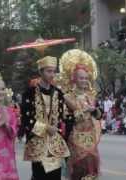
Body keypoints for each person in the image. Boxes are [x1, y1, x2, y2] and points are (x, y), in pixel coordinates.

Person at [19, 56, 70, 180]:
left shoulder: (58, 93)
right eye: (48, 71)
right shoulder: (30, 93)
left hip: (54, 142)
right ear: (41, 72)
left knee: (55, 175)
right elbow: (26, 119)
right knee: (39, 175)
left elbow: (63, 116)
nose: (52, 74)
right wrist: (46, 128)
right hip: (38, 142)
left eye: (54, 71)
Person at [60, 49, 101, 180]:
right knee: (79, 168)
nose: (84, 80)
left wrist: (94, 111)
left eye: (86, 78)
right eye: (81, 78)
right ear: (74, 78)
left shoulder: (90, 96)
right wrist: (86, 110)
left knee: (92, 167)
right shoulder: (68, 97)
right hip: (76, 137)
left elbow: (98, 115)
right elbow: (68, 118)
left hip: (91, 136)